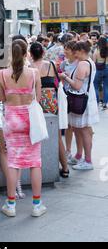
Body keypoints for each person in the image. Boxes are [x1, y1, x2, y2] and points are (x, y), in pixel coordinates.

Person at [0, 39, 47, 218]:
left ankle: (11, 204)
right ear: (25, 54)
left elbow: (0, 97)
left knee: (13, 162)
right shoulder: (34, 73)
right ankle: (37, 205)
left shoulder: (2, 74)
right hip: (30, 118)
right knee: (35, 162)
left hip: (11, 119)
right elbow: (37, 98)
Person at [30, 42, 69, 178]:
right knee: (57, 136)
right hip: (52, 101)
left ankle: (42, 167)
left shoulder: (30, 67)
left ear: (30, 54)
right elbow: (56, 82)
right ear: (43, 53)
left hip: (36, 102)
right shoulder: (51, 65)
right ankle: (65, 168)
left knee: (35, 134)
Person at [60, 41, 99, 171]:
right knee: (80, 130)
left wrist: (65, 77)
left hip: (81, 99)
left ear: (82, 50)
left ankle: (88, 160)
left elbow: (76, 85)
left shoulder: (83, 64)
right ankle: (79, 156)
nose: (74, 53)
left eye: (76, 51)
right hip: (85, 98)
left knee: (84, 131)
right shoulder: (89, 62)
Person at [60, 41, 83, 166]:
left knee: (78, 127)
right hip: (67, 96)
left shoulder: (80, 64)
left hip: (78, 97)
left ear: (74, 52)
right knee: (68, 125)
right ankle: (68, 151)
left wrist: (66, 77)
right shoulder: (65, 63)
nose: (65, 52)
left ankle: (79, 154)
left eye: (67, 50)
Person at [93, 36, 108, 109]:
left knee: (96, 86)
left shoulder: (96, 50)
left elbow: (94, 61)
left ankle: (97, 103)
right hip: (107, 69)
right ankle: (105, 103)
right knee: (106, 87)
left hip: (98, 69)